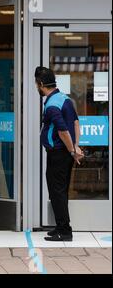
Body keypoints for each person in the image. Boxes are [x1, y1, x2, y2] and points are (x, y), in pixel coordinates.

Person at [36, 66, 84, 242]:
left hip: (58, 153)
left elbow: (63, 131)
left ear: (40, 84)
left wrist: (72, 150)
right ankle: (61, 225)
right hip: (64, 152)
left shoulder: (52, 105)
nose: (37, 87)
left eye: (37, 84)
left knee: (57, 192)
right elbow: (76, 123)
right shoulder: (65, 99)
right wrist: (76, 147)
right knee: (60, 191)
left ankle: (64, 231)